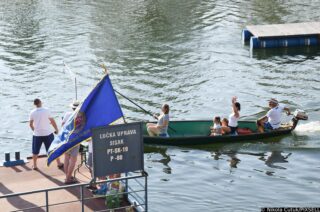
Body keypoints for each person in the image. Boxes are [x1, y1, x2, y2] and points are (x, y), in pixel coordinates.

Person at [29, 98, 63, 170]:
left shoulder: (32, 112)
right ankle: (59, 163)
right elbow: (52, 121)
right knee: (53, 149)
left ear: (34, 104)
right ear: (40, 102)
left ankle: (35, 165)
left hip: (37, 134)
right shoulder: (46, 110)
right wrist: (56, 129)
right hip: (48, 133)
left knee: (35, 150)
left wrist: (34, 130)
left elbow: (30, 124)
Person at [62, 100, 80, 184]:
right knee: (73, 159)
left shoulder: (67, 114)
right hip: (75, 140)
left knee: (66, 158)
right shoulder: (81, 116)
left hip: (66, 139)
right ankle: (68, 178)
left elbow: (63, 125)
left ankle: (67, 176)